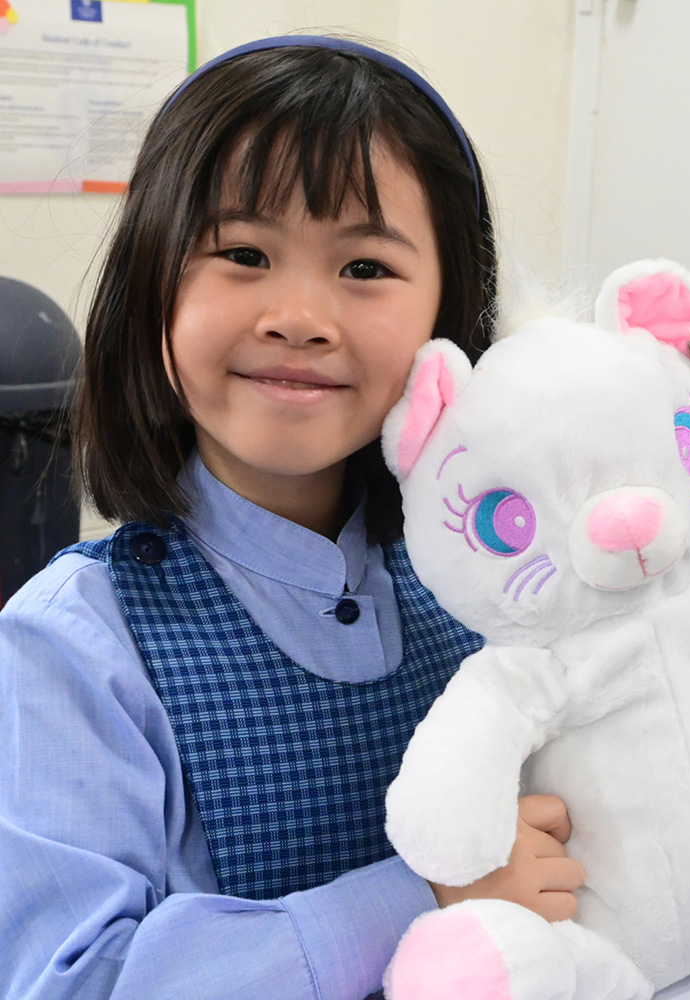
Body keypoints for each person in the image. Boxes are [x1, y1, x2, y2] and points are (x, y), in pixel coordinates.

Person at [0, 35, 585, 1000]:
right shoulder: (73, 642)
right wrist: (426, 895)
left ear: (449, 315)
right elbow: (73, 981)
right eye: (243, 253)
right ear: (151, 286)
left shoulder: (492, 594)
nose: (300, 316)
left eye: (365, 266)